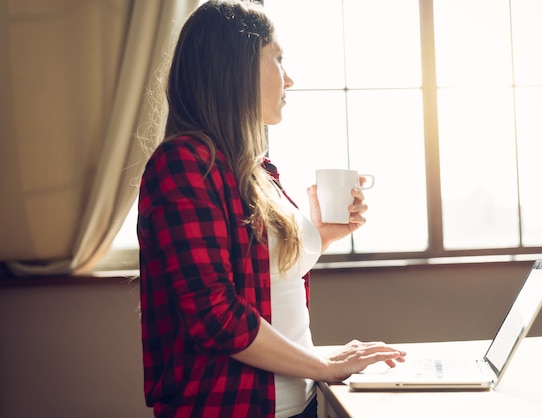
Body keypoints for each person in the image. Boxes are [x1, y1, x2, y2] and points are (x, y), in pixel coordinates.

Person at [137, 1, 406, 417]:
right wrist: (325, 365)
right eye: (278, 58)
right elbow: (215, 315)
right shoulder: (183, 164)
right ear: (236, 68)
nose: (290, 78)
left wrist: (318, 237)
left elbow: (267, 279)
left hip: (296, 404)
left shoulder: (256, 168)